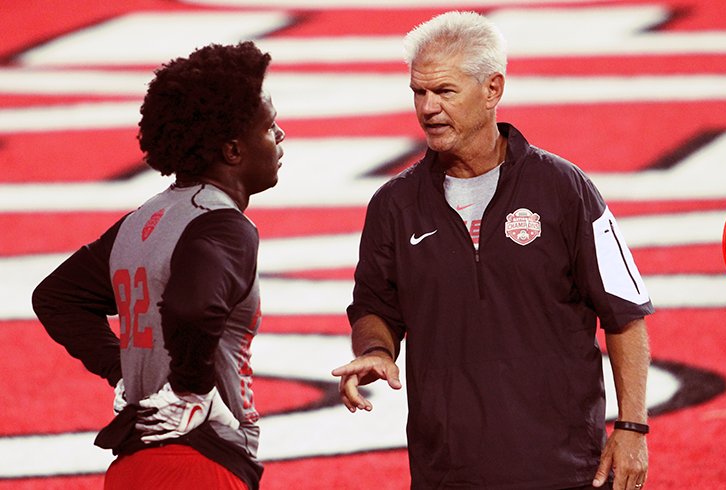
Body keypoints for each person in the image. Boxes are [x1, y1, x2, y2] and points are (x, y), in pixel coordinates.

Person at [332, 11, 653, 490]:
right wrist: (376, 349)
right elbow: (375, 306)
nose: (428, 109)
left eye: (444, 91)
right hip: (447, 471)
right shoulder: (394, 205)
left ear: (492, 89)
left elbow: (624, 314)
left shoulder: (565, 190)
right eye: (419, 92)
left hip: (562, 468)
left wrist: (632, 427)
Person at [32, 41, 285, 490]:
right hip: (200, 464)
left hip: (133, 466)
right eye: (269, 127)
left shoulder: (140, 221)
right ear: (232, 150)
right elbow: (193, 307)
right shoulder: (226, 225)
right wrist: (192, 388)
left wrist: (121, 369)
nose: (280, 136)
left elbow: (56, 297)